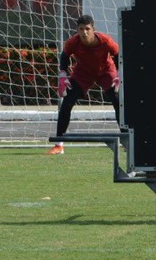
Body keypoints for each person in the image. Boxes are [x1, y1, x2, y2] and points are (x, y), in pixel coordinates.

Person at [46, 14, 121, 155]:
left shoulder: (106, 41)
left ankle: (127, 141)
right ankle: (59, 145)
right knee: (67, 102)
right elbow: (64, 56)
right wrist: (62, 75)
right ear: (77, 30)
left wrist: (119, 75)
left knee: (119, 101)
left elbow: (117, 55)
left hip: (106, 71)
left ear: (93, 29)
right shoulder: (73, 42)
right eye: (81, 29)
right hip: (83, 73)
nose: (84, 32)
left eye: (87, 29)